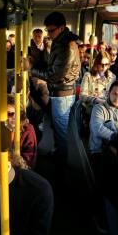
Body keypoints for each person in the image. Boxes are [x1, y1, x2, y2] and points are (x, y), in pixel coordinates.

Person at [24, 11, 80, 158]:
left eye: (51, 30)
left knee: (60, 130)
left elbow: (54, 75)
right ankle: (58, 152)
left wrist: (31, 69)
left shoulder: (66, 46)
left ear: (61, 28)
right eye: (47, 30)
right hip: (61, 91)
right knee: (57, 127)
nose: (48, 34)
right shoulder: (60, 41)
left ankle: (60, 161)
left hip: (62, 93)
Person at [0, 95, 37, 169]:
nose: (15, 117)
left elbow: (29, 159)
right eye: (10, 114)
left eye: (18, 113)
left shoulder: (27, 129)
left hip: (18, 170)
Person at [89, 80, 118, 155]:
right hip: (100, 150)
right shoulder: (99, 108)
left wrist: (109, 125)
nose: (117, 98)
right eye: (115, 94)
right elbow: (97, 128)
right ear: (108, 93)